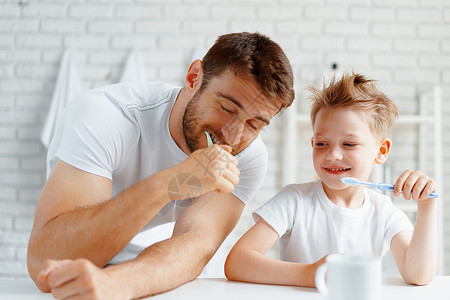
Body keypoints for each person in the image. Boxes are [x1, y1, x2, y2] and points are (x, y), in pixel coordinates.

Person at [27, 32, 295, 299]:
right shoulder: (105, 116)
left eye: (254, 124)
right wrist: (172, 182)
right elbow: (44, 260)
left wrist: (116, 284)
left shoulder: (248, 155)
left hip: (153, 276)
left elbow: (195, 246)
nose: (234, 135)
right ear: (194, 78)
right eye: (226, 107)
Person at [225, 72, 437, 287]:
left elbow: (418, 275)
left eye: (349, 144)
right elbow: (237, 263)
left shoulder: (383, 211)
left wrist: (427, 206)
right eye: (322, 144)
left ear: (381, 151)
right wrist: (310, 274)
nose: (333, 155)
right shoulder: (294, 200)